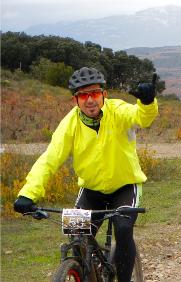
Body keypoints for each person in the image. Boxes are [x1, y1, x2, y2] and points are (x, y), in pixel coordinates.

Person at [13, 67, 158, 282]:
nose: (90, 100)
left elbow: (141, 117)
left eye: (95, 94)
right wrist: (28, 193)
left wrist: (146, 103)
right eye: (83, 95)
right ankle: (85, 270)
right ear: (75, 100)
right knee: (76, 235)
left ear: (104, 95)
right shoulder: (70, 123)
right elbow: (50, 158)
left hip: (125, 187)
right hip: (91, 189)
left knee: (124, 228)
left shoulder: (118, 110)